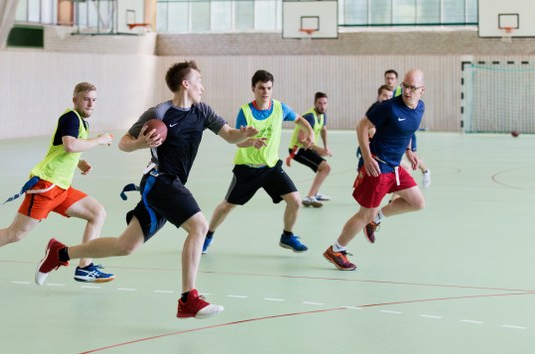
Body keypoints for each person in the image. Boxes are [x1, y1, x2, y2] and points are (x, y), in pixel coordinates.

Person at [34, 61, 259, 319]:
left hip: (169, 184)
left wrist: (244, 135)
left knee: (125, 246)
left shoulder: (203, 111)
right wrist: (141, 143)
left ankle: (60, 252)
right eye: (199, 80)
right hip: (160, 179)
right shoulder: (159, 113)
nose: (203, 86)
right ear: (186, 84)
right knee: (199, 227)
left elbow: (230, 136)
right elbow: (124, 144)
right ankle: (188, 298)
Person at [0, 82, 115, 293]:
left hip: (62, 188)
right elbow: (70, 145)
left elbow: (65, 149)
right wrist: (99, 140)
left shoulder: (81, 121)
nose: (90, 104)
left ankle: (85, 266)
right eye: (86, 99)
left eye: (94, 100)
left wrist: (80, 162)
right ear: (75, 100)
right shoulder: (71, 117)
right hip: (46, 186)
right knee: (15, 234)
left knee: (97, 213)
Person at [323, 69, 427, 271]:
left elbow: (407, 130)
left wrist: (409, 151)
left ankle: (376, 220)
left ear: (421, 90)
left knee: (417, 202)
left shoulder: (420, 108)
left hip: (395, 167)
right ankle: (336, 250)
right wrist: (367, 156)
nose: (406, 91)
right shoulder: (388, 108)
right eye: (404, 86)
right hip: (378, 168)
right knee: (364, 215)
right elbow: (361, 126)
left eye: (412, 88)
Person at [202, 69, 314, 254]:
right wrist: (250, 141)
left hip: (270, 168)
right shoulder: (245, 112)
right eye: (261, 88)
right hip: (247, 170)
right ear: (253, 88)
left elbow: (300, 119)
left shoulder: (280, 108)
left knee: (295, 200)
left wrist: (309, 132)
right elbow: (236, 141)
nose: (266, 92)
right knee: (227, 206)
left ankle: (287, 236)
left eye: (269, 88)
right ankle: (207, 236)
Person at [384, 69, 431, 187]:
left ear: (397, 80)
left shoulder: (402, 92)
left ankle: (425, 171)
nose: (389, 81)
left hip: (406, 131)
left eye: (392, 78)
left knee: (412, 157)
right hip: (394, 132)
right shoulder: (384, 93)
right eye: (387, 78)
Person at [286, 92, 333, 208]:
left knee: (322, 168)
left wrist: (326, 146)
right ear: (315, 104)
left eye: (325, 103)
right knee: (325, 167)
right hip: (297, 150)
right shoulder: (310, 117)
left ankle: (314, 193)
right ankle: (310, 197)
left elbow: (323, 130)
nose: (323, 106)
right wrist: (319, 149)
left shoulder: (323, 115)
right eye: (320, 103)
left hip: (308, 148)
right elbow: (301, 139)